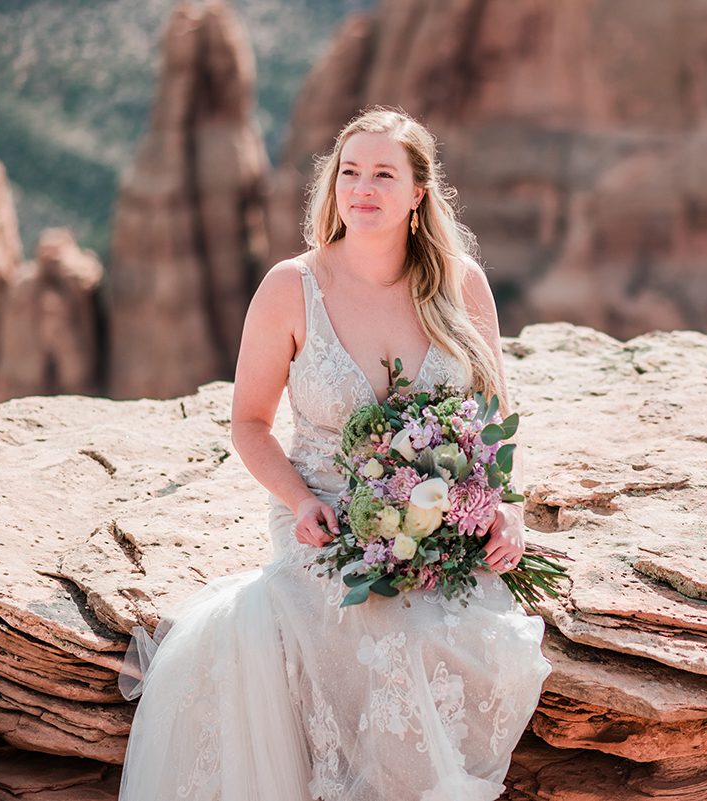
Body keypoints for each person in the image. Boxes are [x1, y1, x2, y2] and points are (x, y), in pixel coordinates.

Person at [117, 106, 552, 801]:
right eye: (350, 171)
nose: (362, 187)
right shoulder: (291, 288)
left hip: (443, 522)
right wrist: (300, 502)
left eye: (384, 173)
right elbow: (251, 423)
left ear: (418, 192)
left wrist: (506, 509)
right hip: (325, 516)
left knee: (476, 643)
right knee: (392, 642)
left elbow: (493, 414)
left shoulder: (460, 283)